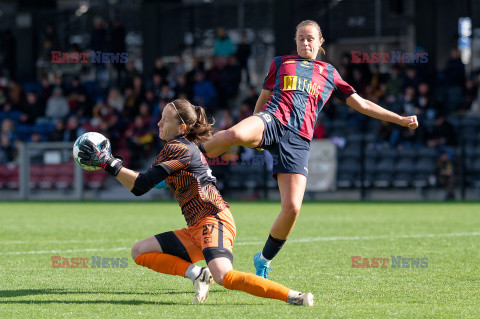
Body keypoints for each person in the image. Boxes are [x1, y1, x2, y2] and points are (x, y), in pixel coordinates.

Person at [199, 20, 419, 279]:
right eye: (301, 38)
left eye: (310, 38)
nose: (306, 42)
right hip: (272, 120)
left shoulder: (329, 73)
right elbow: (264, 96)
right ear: (295, 41)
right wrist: (256, 124)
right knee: (235, 133)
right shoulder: (281, 63)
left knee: (292, 208)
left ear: (320, 42)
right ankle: (186, 158)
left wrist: (401, 119)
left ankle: (264, 258)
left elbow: (362, 104)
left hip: (298, 141)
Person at [77, 99, 313, 306]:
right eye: (160, 118)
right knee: (139, 251)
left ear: (181, 127)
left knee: (224, 276)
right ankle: (198, 274)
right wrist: (110, 164)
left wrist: (109, 163)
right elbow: (144, 185)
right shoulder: (175, 148)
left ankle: (293, 295)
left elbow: (141, 185)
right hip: (196, 227)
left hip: (214, 220)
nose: (158, 123)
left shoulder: (177, 148)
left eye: (165, 119)